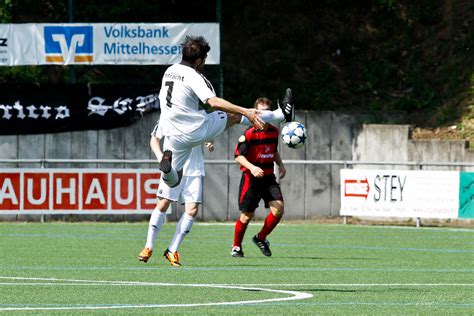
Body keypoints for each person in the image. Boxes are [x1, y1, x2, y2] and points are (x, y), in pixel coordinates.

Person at [157, 35, 294, 190]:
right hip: (194, 130)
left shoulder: (170, 70)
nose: (204, 62)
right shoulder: (194, 76)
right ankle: (282, 114)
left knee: (174, 179)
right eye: (204, 58)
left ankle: (167, 171)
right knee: (235, 116)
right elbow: (214, 102)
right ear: (198, 61)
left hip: (173, 133)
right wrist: (245, 112)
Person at [138, 119, 214, 267]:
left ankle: (172, 250)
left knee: (192, 210)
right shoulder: (169, 116)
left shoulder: (199, 116)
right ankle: (148, 246)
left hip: (194, 170)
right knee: (163, 203)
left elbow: (209, 133)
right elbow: (154, 139)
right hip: (173, 168)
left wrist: (209, 141)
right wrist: (161, 158)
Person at [231, 97, 287, 258]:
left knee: (278, 209)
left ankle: (261, 238)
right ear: (254, 114)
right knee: (246, 215)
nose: (264, 116)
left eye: (267, 113)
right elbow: (238, 156)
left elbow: (273, 150)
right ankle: (236, 246)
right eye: (260, 112)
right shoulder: (249, 134)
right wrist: (252, 167)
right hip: (251, 179)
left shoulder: (274, 132)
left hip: (269, 179)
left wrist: (281, 164)